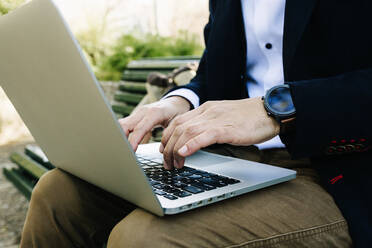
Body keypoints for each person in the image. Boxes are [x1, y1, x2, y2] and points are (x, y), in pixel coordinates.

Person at [20, 0, 372, 247]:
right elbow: (214, 73)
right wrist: (177, 101)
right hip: (234, 157)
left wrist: (279, 108)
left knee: (144, 240)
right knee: (58, 192)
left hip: (338, 169)